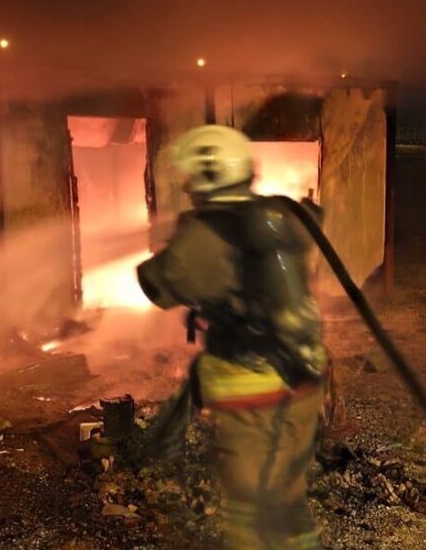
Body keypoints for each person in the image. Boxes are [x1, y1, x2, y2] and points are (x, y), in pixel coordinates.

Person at [137, 124, 327, 549]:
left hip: (253, 391)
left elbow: (158, 286)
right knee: (286, 495)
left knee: (251, 510)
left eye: (188, 179)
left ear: (202, 176)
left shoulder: (205, 235)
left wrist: (167, 244)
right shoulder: (277, 214)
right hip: (303, 378)